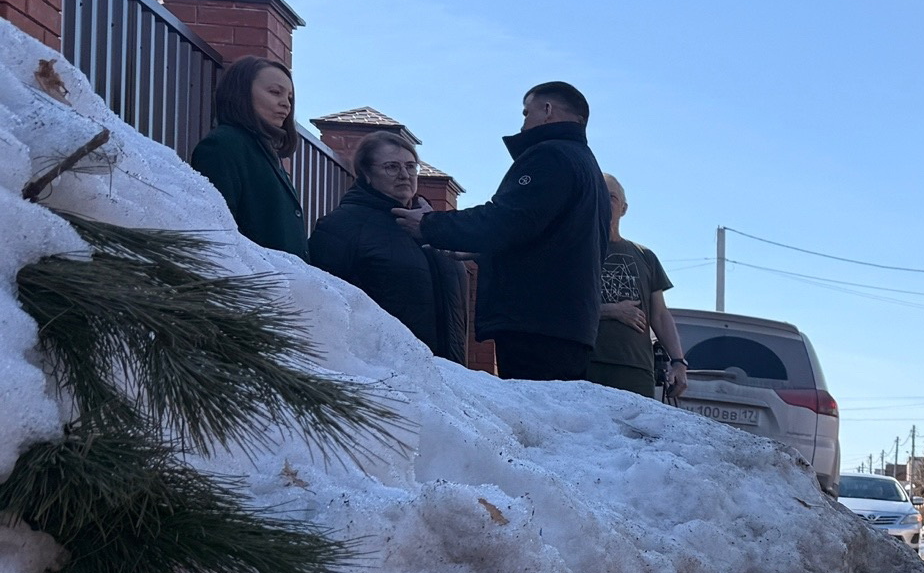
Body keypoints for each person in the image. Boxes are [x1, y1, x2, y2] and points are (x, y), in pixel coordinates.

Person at [395, 81, 609, 382]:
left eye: (526, 113)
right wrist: (485, 252)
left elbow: (507, 219)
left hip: (535, 323)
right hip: (567, 324)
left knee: (533, 416)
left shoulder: (550, 156)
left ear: (547, 110)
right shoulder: (587, 167)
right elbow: (550, 237)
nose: (523, 124)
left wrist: (430, 225)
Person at [308, 132, 468, 360]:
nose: (404, 175)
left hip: (448, 374)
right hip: (381, 371)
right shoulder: (343, 227)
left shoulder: (431, 226)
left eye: (411, 166)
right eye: (392, 167)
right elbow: (324, 306)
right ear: (366, 173)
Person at [190, 56, 308, 256]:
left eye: (289, 97)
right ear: (241, 93)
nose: (286, 104)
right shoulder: (222, 145)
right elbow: (217, 233)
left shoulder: (265, 152)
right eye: (275, 92)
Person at [589, 174, 687, 397]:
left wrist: (679, 361)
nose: (604, 202)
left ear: (623, 208)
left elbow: (660, 315)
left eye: (611, 197)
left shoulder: (645, 256)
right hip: (587, 366)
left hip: (636, 371)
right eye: (598, 196)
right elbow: (563, 307)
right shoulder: (576, 251)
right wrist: (613, 311)